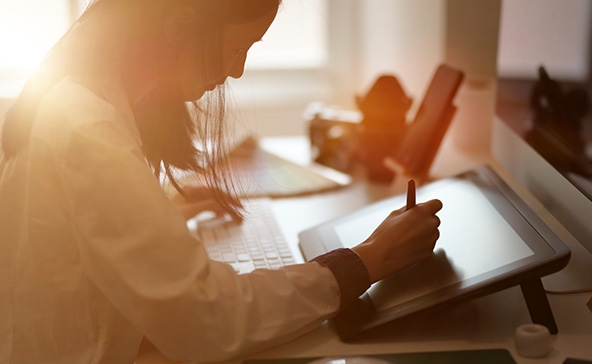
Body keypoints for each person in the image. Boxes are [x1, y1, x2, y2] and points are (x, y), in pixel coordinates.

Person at [0, 1, 443, 363]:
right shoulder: (87, 125)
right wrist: (366, 261)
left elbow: (69, 240)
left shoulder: (75, 93)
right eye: (240, 47)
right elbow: (208, 320)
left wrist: (155, 208)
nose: (238, 71)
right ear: (180, 24)